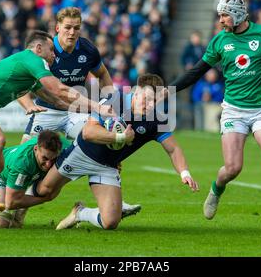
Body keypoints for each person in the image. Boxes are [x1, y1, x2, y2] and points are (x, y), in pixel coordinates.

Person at [0, 30, 114, 230]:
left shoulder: (29, 71)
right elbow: (59, 89)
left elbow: (57, 100)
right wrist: (97, 107)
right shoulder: (33, 60)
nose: (54, 54)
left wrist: (89, 109)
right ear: (38, 48)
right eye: (51, 50)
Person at [168, 0, 261, 235]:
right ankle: (216, 189)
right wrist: (168, 91)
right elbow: (196, 72)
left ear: (238, 15)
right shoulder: (219, 41)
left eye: (224, 15)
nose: (220, 20)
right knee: (232, 168)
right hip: (234, 110)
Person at [34, 74, 199, 230]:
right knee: (44, 191)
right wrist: (120, 137)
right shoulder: (115, 100)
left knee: (111, 222)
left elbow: (173, 149)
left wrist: (185, 173)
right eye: (146, 99)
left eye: (154, 101)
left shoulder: (156, 119)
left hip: (107, 166)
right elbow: (88, 133)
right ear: (135, 92)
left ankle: (80, 213)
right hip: (81, 154)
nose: (149, 105)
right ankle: (10, 205)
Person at [17, 7, 140, 216]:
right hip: (46, 110)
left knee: (103, 139)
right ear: (57, 28)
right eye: (67, 28)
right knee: (26, 153)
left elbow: (102, 74)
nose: (72, 32)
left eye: (76, 28)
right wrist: (28, 105)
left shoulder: (88, 50)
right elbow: (20, 84)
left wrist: (111, 103)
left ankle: (114, 201)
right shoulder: (44, 51)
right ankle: (16, 207)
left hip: (76, 110)